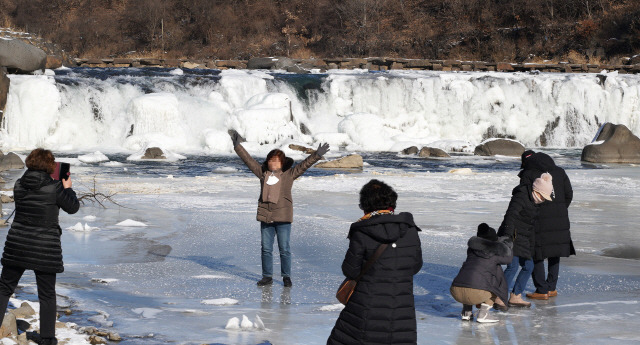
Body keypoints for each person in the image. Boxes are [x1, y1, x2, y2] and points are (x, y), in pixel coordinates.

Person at [327, 179, 422, 345]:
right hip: (401, 308)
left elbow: (351, 271)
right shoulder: (410, 229)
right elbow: (415, 265)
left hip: (365, 306)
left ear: (366, 204)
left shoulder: (362, 230)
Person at [0, 149, 80, 345]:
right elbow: (73, 207)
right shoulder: (55, 188)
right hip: (45, 249)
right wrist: (68, 188)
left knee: (4, 289)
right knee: (46, 294)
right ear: (49, 166)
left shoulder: (19, 185)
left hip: (17, 244)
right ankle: (47, 339)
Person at [230, 131, 329, 287]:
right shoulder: (263, 174)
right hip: (266, 217)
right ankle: (267, 276)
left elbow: (304, 165)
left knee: (284, 249)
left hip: (282, 217)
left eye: (276, 161)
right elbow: (248, 161)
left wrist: (316, 154)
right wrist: (237, 146)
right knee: (266, 249)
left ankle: (286, 277)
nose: (272, 163)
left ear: (282, 163)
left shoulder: (289, 175)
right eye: (270, 160)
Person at [519, 152, 575, 300]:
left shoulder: (529, 173)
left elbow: (524, 199)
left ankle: (541, 289)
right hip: (560, 219)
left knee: (537, 253)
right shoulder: (560, 171)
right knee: (554, 252)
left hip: (538, 219)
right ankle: (551, 288)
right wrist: (560, 209)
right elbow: (569, 194)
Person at [495, 172, 554, 308]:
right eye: (543, 196)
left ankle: (516, 296)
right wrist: (508, 238)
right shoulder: (521, 195)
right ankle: (499, 296)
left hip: (524, 239)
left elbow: (531, 226)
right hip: (513, 236)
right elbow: (510, 216)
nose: (543, 200)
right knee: (513, 266)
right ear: (536, 191)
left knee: (529, 266)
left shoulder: (536, 202)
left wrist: (532, 245)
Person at [450, 223, 513, 323]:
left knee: (469, 281)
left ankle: (466, 312)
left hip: (455, 290)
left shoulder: (471, 251)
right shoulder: (494, 254)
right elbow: (508, 259)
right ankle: (483, 314)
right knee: (494, 287)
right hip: (475, 294)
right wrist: (507, 245)